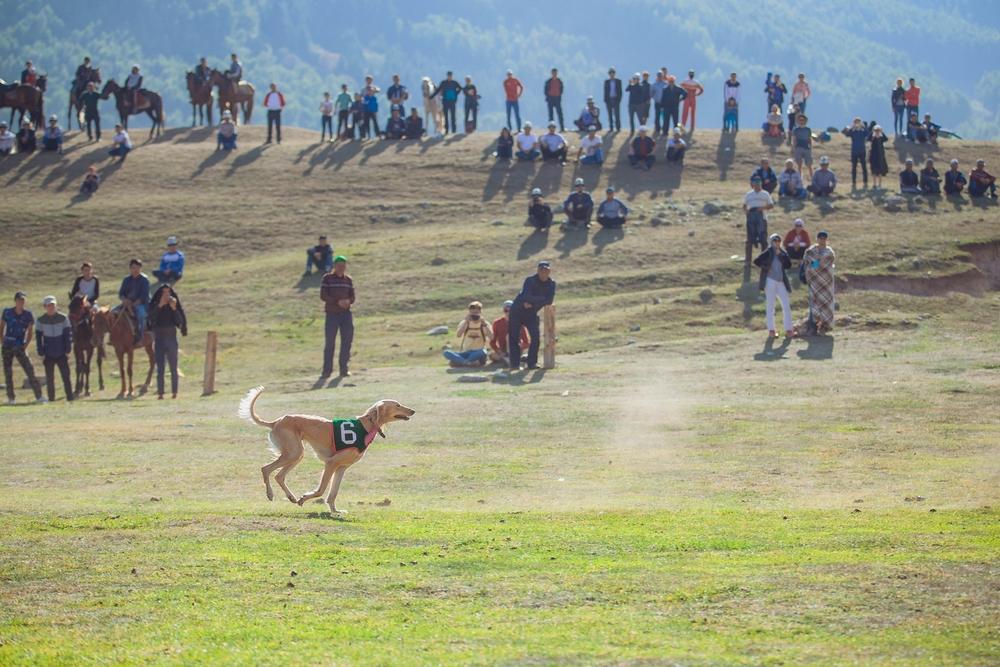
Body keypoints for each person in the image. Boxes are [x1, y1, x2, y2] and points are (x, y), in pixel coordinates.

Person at [507, 261, 556, 371]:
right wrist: (540, 299)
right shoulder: (530, 280)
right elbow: (526, 295)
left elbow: (549, 300)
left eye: (546, 271)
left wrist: (532, 302)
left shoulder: (551, 283)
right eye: (542, 271)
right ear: (538, 271)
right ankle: (514, 364)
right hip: (517, 311)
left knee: (535, 338)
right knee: (514, 338)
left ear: (549, 271)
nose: (544, 273)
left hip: (531, 312)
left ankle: (532, 363)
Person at [2, 291, 44, 404]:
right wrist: (2, 340)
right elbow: (1, 326)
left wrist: (25, 345)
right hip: (7, 345)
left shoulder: (28, 315)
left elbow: (30, 332)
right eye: (19, 300)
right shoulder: (7, 312)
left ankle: (39, 396)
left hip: (20, 345)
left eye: (23, 300)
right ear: (15, 301)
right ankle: (11, 398)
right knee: (8, 373)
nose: (21, 302)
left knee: (29, 370)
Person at [148, 283, 187, 399]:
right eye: (164, 292)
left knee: (173, 367)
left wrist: (174, 309)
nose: (166, 295)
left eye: (168, 292)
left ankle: (175, 392)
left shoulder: (173, 305)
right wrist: (160, 305)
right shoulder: (155, 304)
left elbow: (179, 321)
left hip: (171, 337)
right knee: (160, 368)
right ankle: (160, 393)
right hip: (159, 337)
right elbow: (151, 319)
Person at [754, 234, 794, 338]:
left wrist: (781, 255)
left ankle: (788, 329)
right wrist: (767, 267)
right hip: (770, 280)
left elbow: (788, 265)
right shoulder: (768, 252)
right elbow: (757, 261)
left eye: (778, 241)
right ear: (771, 242)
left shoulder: (783, 252)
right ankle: (771, 330)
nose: (777, 243)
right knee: (770, 306)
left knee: (786, 304)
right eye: (775, 241)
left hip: (781, 281)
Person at [320, 255, 354, 378]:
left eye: (343, 266)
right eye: (339, 265)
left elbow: (352, 296)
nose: (341, 268)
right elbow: (323, 296)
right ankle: (326, 371)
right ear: (334, 266)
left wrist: (348, 301)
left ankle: (344, 369)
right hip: (332, 314)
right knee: (330, 343)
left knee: (347, 342)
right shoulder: (327, 278)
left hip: (346, 314)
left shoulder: (348, 280)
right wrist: (337, 301)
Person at [35, 296, 74, 402]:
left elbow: (67, 335)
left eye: (53, 305)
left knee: (66, 376)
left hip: (62, 352)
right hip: (48, 354)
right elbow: (38, 338)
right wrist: (41, 353)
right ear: (45, 307)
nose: (51, 307)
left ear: (56, 306)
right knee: (50, 378)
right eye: (48, 305)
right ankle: (51, 399)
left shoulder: (63, 318)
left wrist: (68, 350)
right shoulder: (40, 320)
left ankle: (70, 397)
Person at [803, 231, 836, 335]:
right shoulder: (811, 251)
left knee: (826, 305)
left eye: (824, 238)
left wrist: (816, 263)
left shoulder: (829, 252)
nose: (822, 240)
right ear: (817, 239)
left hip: (826, 284)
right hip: (815, 283)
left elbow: (823, 263)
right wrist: (816, 264)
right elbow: (810, 264)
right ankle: (813, 328)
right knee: (815, 306)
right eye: (820, 238)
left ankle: (824, 328)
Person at [443, 301, 492, 367]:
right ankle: (468, 362)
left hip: (478, 352)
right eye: (472, 313)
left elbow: (491, 337)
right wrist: (466, 322)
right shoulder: (464, 323)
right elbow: (458, 335)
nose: (474, 316)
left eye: (476, 313)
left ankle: (461, 362)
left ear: (480, 313)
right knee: (446, 353)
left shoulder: (485, 324)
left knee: (483, 352)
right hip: (466, 352)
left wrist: (484, 324)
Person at [118, 259, 150, 344]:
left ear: (140, 269)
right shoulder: (126, 280)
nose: (135, 270)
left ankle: (141, 336)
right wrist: (124, 300)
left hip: (141, 303)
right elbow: (121, 293)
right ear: (130, 269)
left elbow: (144, 295)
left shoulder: (144, 280)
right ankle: (114, 337)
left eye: (137, 268)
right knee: (112, 313)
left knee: (141, 315)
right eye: (133, 268)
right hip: (127, 303)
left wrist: (134, 303)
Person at [490, 301, 529, 366]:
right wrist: (499, 351)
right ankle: (510, 359)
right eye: (506, 310)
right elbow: (492, 341)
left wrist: (518, 347)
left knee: (509, 336)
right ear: (503, 311)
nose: (508, 313)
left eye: (511, 310)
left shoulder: (520, 323)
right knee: (492, 356)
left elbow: (526, 343)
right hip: (503, 351)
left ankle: (510, 359)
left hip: (516, 349)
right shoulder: (497, 323)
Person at [743, 176, 774, 255]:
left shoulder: (765, 194)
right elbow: (744, 205)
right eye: (756, 184)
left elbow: (771, 205)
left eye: (759, 184)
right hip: (751, 216)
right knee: (749, 240)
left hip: (762, 217)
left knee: (763, 240)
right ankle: (748, 261)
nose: (757, 186)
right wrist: (746, 211)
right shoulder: (749, 194)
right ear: (753, 184)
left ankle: (764, 260)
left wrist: (762, 208)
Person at [842, 117, 870, 189]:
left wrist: (863, 126)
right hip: (854, 151)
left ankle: (865, 181)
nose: (857, 124)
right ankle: (854, 182)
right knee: (854, 167)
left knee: (864, 167)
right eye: (856, 122)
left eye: (858, 122)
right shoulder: (853, 131)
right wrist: (852, 127)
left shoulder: (863, 131)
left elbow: (868, 134)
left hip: (862, 151)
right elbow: (846, 134)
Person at [868, 125, 889, 189]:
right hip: (873, 157)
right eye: (876, 130)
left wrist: (881, 131)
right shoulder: (872, 138)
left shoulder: (881, 138)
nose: (877, 132)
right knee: (874, 171)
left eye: (878, 130)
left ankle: (879, 185)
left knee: (880, 171)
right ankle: (874, 185)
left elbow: (886, 139)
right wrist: (872, 131)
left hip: (880, 157)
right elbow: (868, 138)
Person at [603, 67, 622, 132]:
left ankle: (618, 128)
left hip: (616, 99)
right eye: (610, 73)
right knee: (610, 114)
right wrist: (605, 100)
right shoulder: (606, 82)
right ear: (609, 74)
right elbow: (605, 91)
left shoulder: (618, 81)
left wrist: (619, 100)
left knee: (617, 114)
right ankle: (611, 128)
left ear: (615, 73)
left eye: (613, 72)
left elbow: (620, 92)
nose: (612, 74)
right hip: (609, 100)